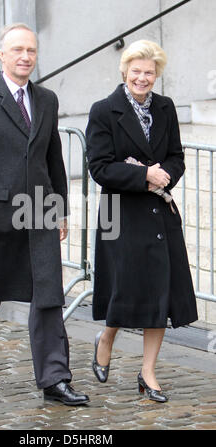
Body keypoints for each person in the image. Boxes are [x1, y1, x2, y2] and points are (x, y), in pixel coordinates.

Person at [0, 23, 89, 406]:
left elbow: (52, 159)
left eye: (31, 50)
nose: (25, 56)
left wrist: (59, 209)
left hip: (40, 214)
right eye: (17, 50)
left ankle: (54, 379)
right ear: (1, 54)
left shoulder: (47, 100)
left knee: (47, 296)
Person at [86, 40, 198, 402]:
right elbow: (100, 168)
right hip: (121, 213)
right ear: (124, 71)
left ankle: (147, 372)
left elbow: (176, 157)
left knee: (159, 293)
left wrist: (165, 174)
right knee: (126, 287)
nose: (142, 77)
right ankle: (107, 338)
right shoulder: (104, 110)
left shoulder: (165, 108)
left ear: (156, 75)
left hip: (159, 214)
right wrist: (145, 176)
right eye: (136, 71)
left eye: (149, 72)